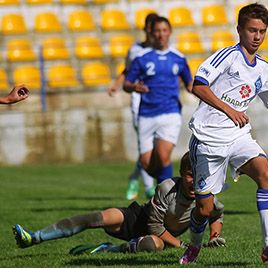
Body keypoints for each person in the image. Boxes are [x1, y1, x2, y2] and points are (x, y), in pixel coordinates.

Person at [179, 3, 268, 265]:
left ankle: (267, 245)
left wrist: (234, 116)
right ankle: (194, 245)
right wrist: (230, 110)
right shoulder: (226, 57)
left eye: (262, 31)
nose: (257, 36)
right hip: (208, 138)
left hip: (238, 135)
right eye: (252, 30)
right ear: (239, 29)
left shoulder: (264, 68)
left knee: (265, 173)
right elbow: (199, 85)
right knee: (205, 209)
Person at [12, 152, 225, 254]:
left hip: (155, 238)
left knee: (153, 245)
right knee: (95, 218)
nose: (194, 181)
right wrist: (183, 245)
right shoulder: (167, 187)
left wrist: (215, 235)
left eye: (199, 176)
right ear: (181, 174)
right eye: (189, 175)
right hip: (137, 219)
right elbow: (155, 225)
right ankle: (34, 238)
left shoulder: (207, 198)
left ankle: (107, 250)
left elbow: (216, 214)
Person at [123, 16, 193, 184]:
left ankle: (167, 198)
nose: (161, 34)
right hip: (146, 114)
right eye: (157, 31)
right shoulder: (141, 58)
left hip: (170, 113)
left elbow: (189, 84)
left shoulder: (178, 58)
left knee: (163, 156)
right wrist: (134, 87)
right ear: (151, 33)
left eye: (164, 30)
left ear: (169, 32)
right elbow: (126, 84)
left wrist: (205, 95)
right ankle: (167, 187)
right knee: (147, 163)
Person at [107, 13, 159, 201]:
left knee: (155, 147)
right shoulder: (136, 50)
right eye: (152, 29)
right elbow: (128, 70)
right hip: (139, 99)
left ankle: (134, 177)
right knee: (145, 143)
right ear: (146, 30)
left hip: (159, 101)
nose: (156, 34)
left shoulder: (164, 51)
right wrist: (117, 84)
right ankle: (149, 188)